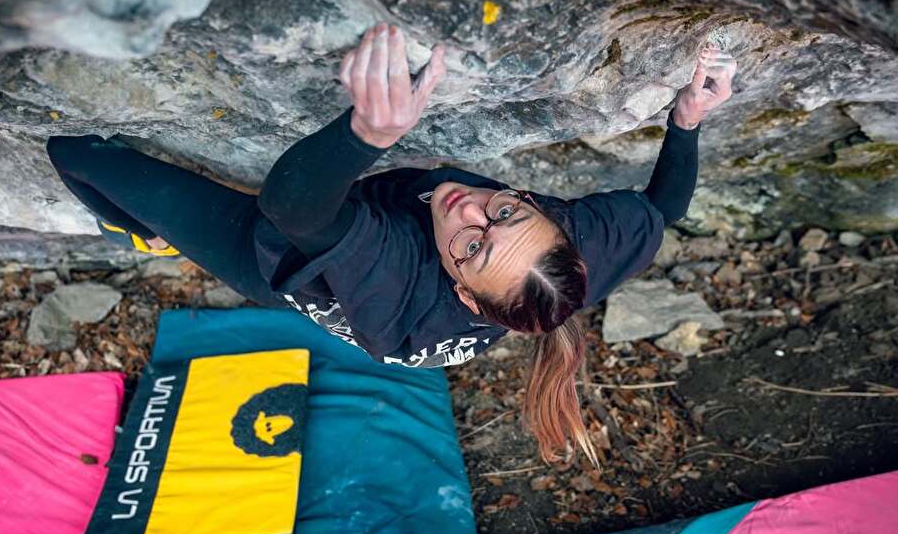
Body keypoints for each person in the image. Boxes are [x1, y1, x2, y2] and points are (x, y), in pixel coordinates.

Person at [47, 23, 737, 464]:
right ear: (539, 209)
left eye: (471, 248)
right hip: (360, 255)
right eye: (504, 211)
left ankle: (137, 232)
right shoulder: (574, 260)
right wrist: (686, 120)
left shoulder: (399, 282)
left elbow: (291, 208)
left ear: (462, 291)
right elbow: (662, 208)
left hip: (277, 260)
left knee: (77, 153)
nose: (470, 211)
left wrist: (364, 137)